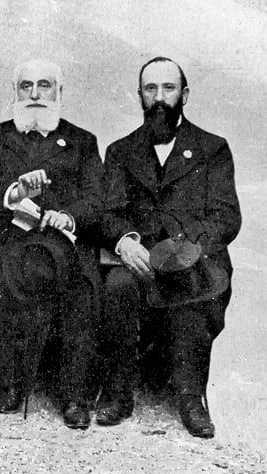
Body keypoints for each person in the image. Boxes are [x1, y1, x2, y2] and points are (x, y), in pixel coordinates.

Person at [101, 57, 241, 438]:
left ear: (185, 94)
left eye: (168, 88)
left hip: (192, 259)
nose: (159, 98)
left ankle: (191, 399)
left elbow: (227, 217)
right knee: (116, 288)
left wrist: (182, 249)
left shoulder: (213, 149)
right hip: (139, 261)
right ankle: (118, 393)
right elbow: (109, 213)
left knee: (194, 290)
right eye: (151, 89)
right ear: (140, 96)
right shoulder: (120, 151)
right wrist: (126, 242)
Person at [0, 59, 104, 429]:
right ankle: (12, 383)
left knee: (81, 290)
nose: (34, 94)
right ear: (16, 92)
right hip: (13, 240)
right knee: (3, 277)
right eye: (26, 86)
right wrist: (15, 193)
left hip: (67, 244)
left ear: (59, 92)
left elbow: (97, 198)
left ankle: (74, 395)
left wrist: (68, 215)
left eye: (44, 85)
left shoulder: (82, 141)